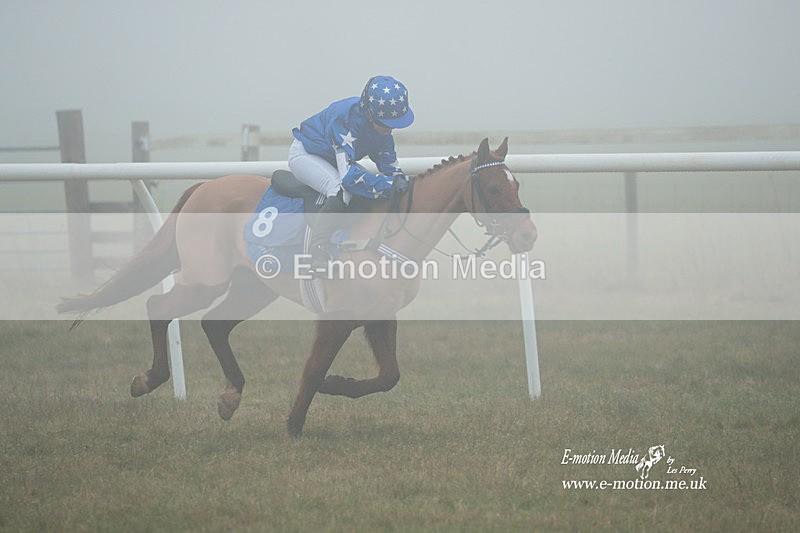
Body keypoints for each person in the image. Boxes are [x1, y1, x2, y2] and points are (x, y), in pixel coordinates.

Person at [289, 75, 414, 272]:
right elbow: (348, 179)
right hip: (306, 153)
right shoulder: (345, 119)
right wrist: (390, 186)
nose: (389, 129)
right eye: (385, 123)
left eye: (394, 124)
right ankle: (317, 253)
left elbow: (392, 169)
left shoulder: (383, 132)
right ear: (370, 114)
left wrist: (406, 183)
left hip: (332, 158)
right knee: (339, 189)